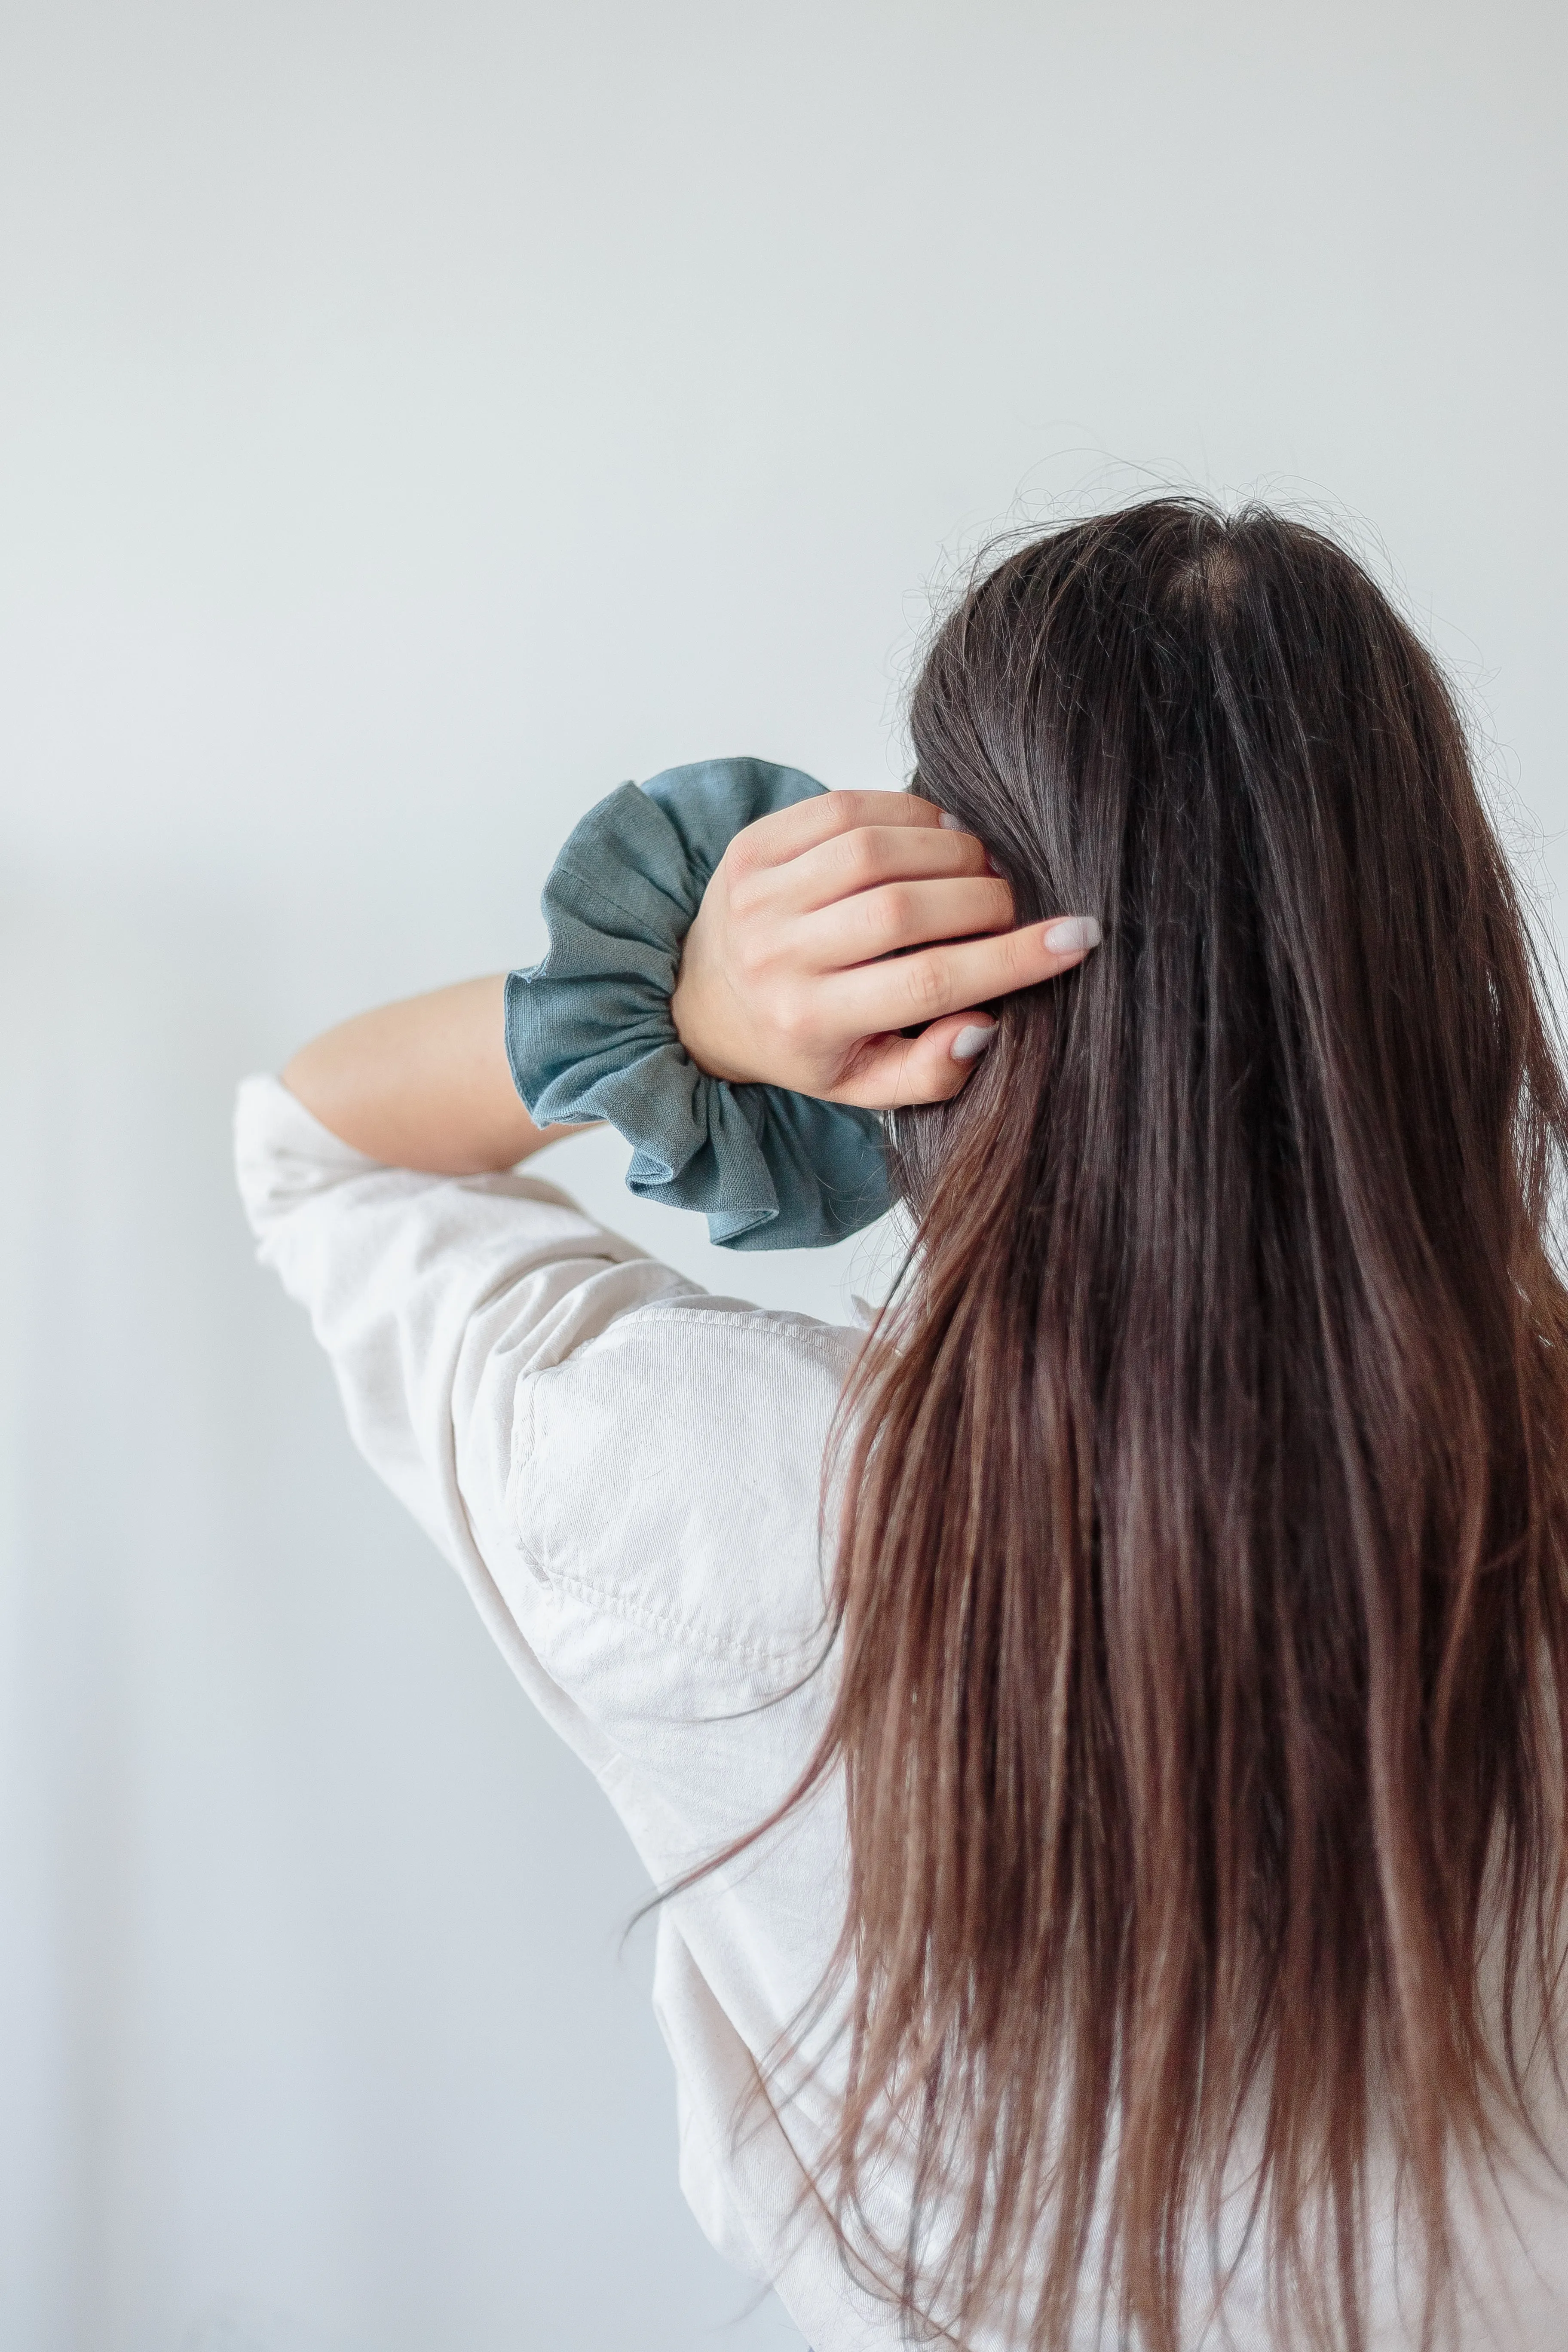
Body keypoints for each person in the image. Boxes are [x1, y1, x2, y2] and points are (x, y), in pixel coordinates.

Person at [236, 499, 1568, 2351]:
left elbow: (313, 1146)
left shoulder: (709, 1486)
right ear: (1450, 967)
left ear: (954, 955)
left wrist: (669, 1016)